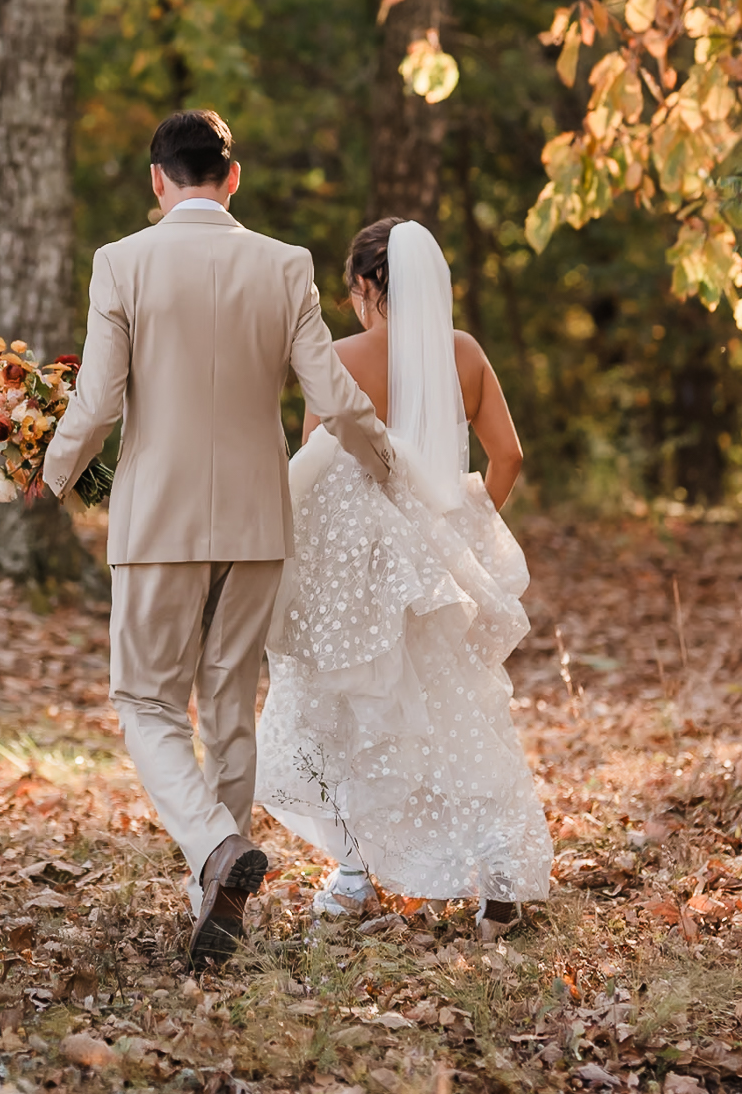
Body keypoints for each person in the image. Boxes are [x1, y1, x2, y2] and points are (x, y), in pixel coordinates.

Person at [41, 111, 396, 966]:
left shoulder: (121, 263)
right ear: (232, 179)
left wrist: (49, 473)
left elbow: (95, 404)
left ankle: (214, 851)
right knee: (231, 704)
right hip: (256, 516)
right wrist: (392, 466)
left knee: (146, 703)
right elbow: (337, 396)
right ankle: (220, 896)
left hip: (158, 516)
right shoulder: (284, 265)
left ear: (156, 181)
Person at [255, 216, 552, 941]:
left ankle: (355, 875)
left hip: (358, 568)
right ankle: (501, 880)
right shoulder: (465, 354)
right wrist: (464, 524)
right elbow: (507, 456)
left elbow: (313, 467)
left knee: (342, 710)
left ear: (363, 286)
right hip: (437, 562)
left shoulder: (338, 356)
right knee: (457, 709)